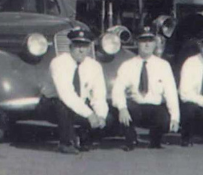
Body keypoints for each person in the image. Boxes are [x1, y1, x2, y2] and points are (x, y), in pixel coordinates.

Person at [110, 29, 179, 150]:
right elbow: (117, 90)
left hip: (155, 108)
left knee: (164, 120)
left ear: (155, 43)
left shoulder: (163, 65)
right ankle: (131, 139)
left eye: (150, 41)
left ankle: (155, 139)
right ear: (137, 43)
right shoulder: (127, 65)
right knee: (121, 109)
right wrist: (122, 108)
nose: (147, 44)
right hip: (135, 107)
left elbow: (171, 93)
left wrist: (175, 117)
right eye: (143, 41)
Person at [47, 27, 108, 155]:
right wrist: (90, 115)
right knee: (63, 106)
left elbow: (99, 95)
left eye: (85, 46)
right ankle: (66, 143)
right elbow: (66, 95)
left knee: (110, 118)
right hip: (54, 104)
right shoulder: (59, 62)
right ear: (70, 47)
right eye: (77, 45)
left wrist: (100, 115)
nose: (81, 50)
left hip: (80, 105)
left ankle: (82, 135)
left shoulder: (94, 66)